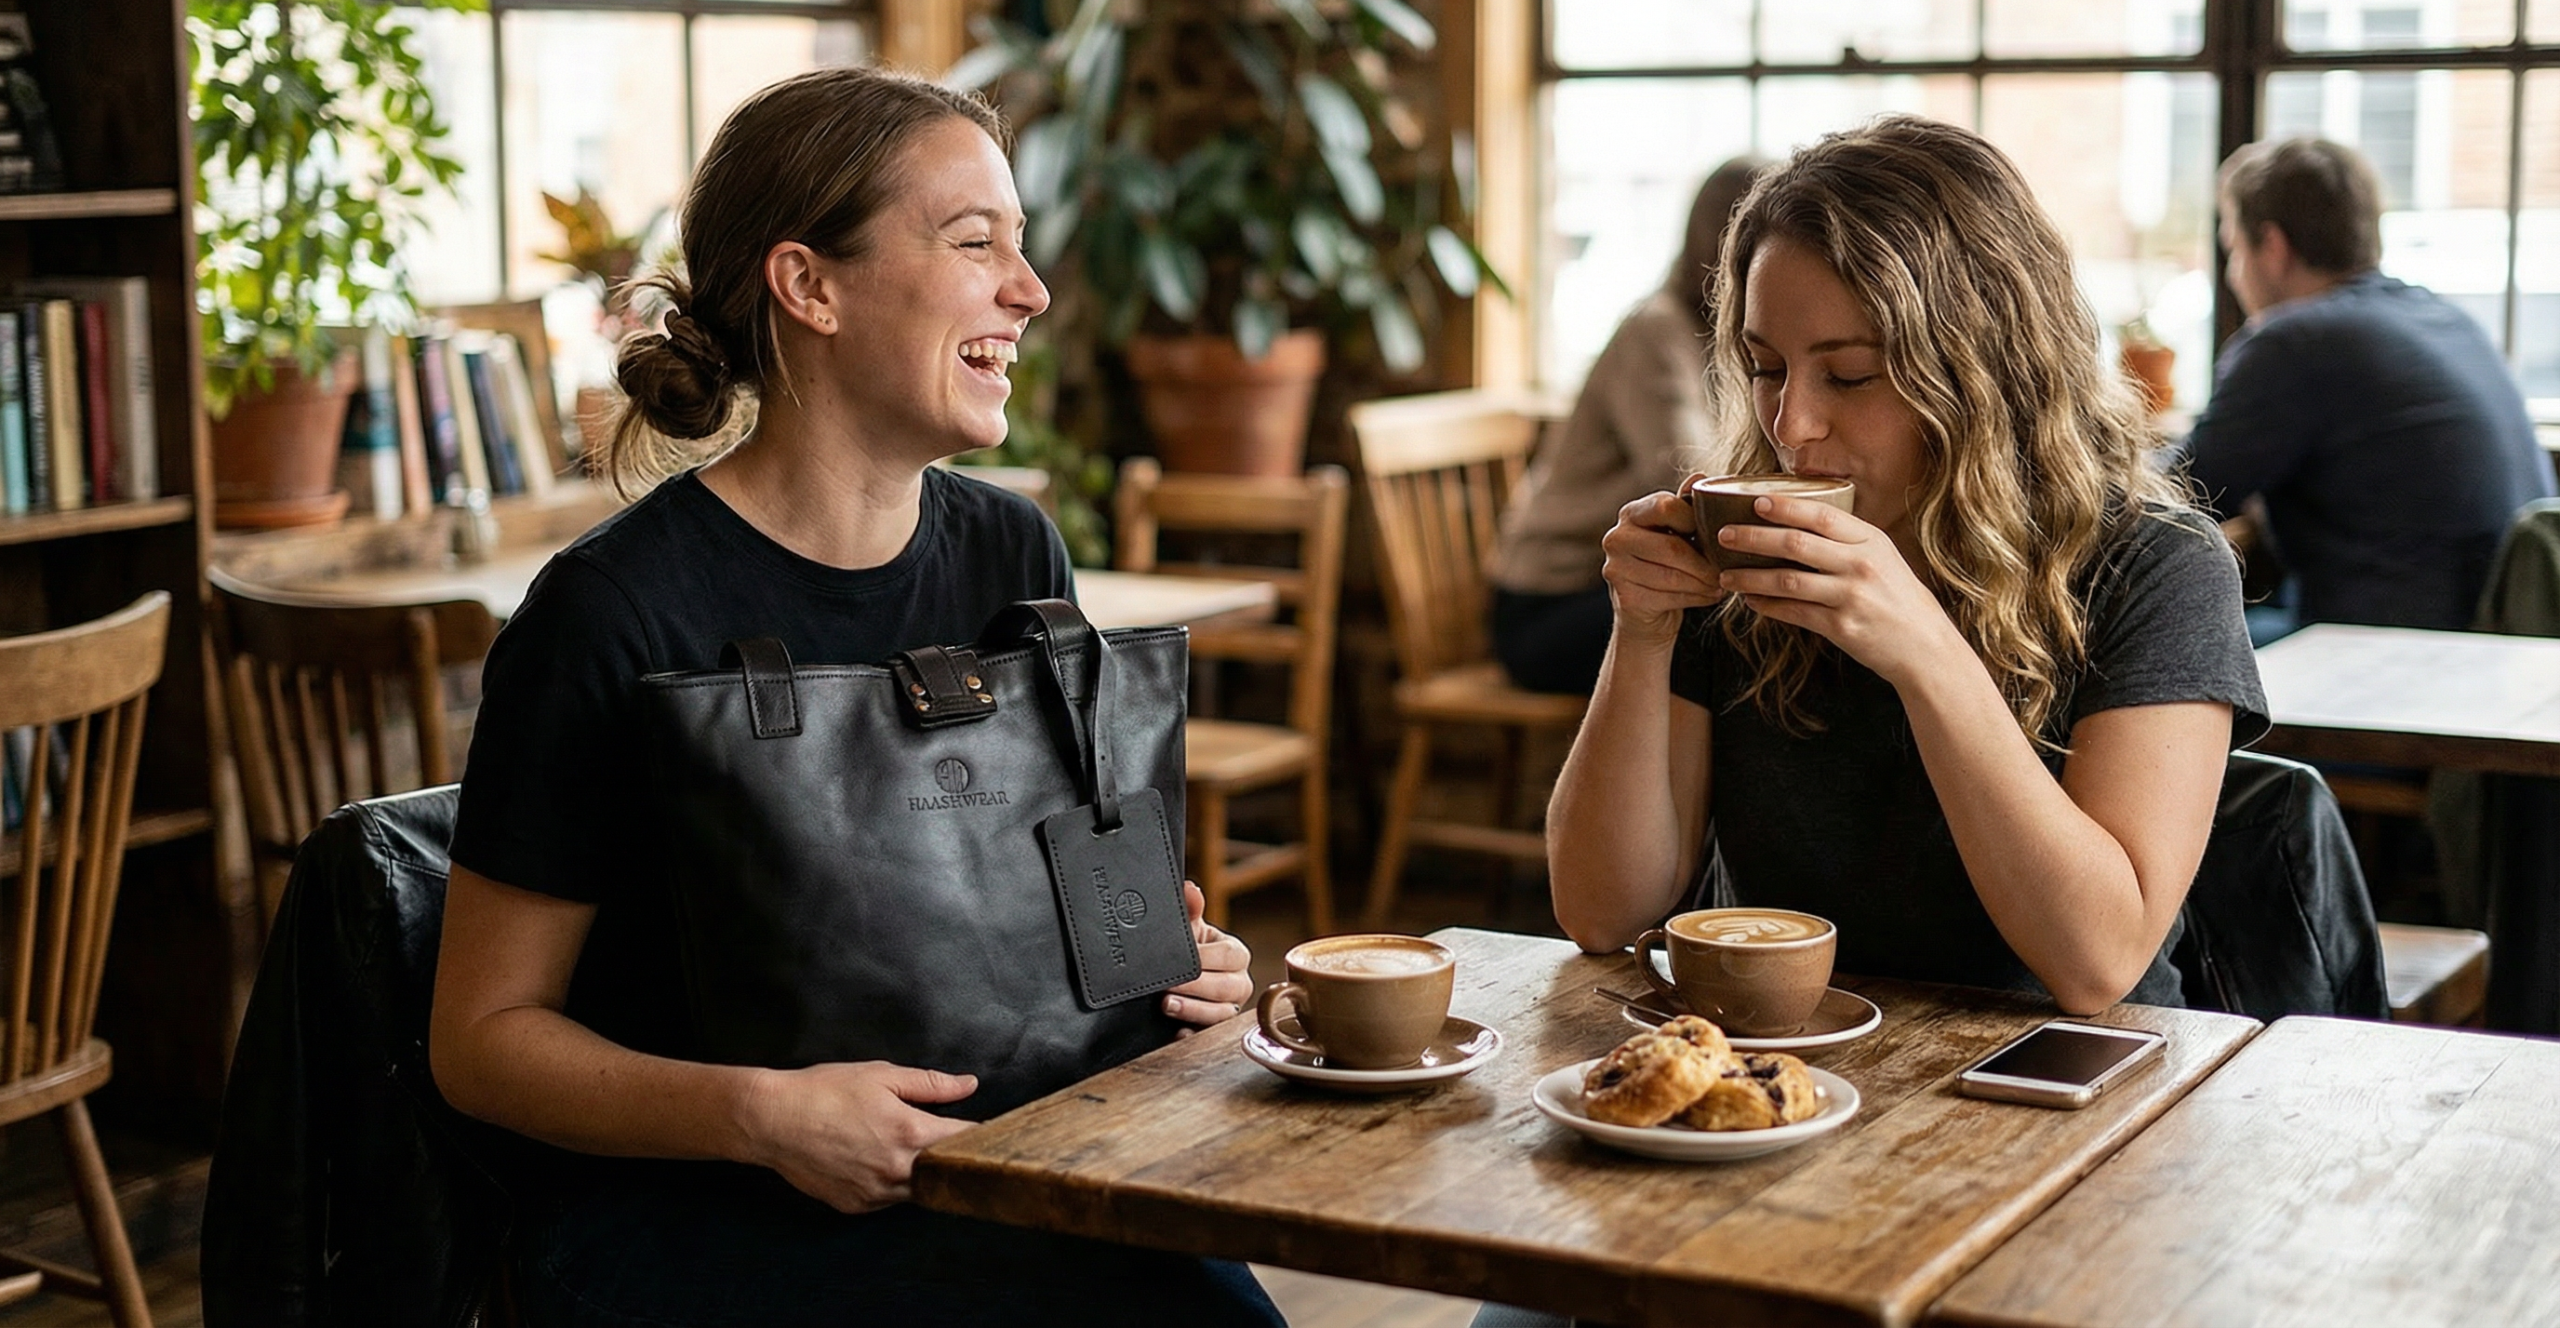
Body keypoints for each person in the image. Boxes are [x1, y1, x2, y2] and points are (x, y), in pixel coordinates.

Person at [426, 67, 1283, 1328]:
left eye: (1021, 245)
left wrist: (1175, 963)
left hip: (1016, 1152)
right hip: (709, 1200)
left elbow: (1056, 904)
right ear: (807, 284)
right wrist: (759, 1114)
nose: (1029, 291)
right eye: (973, 241)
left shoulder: (1014, 557)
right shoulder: (608, 612)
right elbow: (482, 1038)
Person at [1544, 113, 2268, 1015]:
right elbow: (1603, 912)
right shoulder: (1742, 546)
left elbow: (2097, 961)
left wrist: (1922, 651)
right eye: (1767, 368)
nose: (1791, 425)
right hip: (1779, 1053)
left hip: (2057, 1079)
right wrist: (1642, 634)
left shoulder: (2156, 567)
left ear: (1981, 371)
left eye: (1846, 376)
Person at [2177, 136, 2553, 638]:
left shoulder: (2296, 340)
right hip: (2495, 648)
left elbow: (2173, 496)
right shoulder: (2442, 317)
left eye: (2232, 250)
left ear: (2272, 247)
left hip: (2388, 654)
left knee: (2153, 653)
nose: (2233, 274)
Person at [1487, 157, 1769, 695]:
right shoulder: (1656, 331)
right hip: (1546, 606)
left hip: (1601, 586)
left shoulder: (1718, 338)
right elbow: (1688, 476)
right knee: (1732, 624)